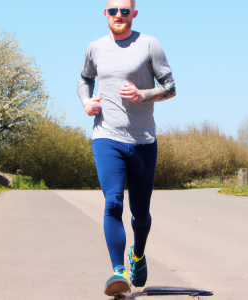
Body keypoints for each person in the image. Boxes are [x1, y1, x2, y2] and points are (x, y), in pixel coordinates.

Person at [77, 0, 176, 296]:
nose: (118, 15)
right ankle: (117, 272)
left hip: (143, 140)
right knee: (113, 203)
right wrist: (87, 102)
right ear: (105, 14)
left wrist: (142, 94)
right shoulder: (94, 48)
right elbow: (84, 80)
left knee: (140, 213)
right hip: (106, 137)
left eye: (124, 10)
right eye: (113, 10)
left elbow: (171, 87)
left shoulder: (149, 45)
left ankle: (138, 254)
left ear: (133, 13)